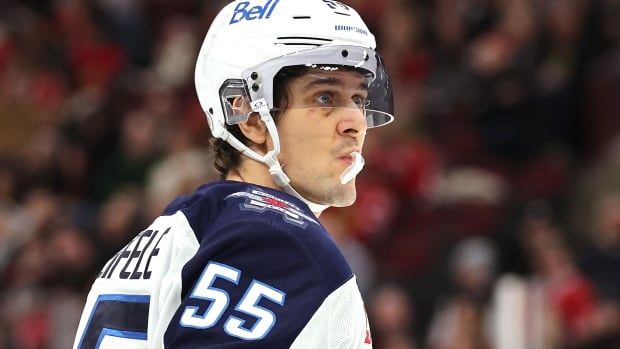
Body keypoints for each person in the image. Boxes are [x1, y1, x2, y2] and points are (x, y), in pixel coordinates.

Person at [72, 0, 394, 347]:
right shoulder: (278, 242)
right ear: (252, 119)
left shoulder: (176, 230)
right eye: (325, 97)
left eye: (359, 100)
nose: (356, 123)